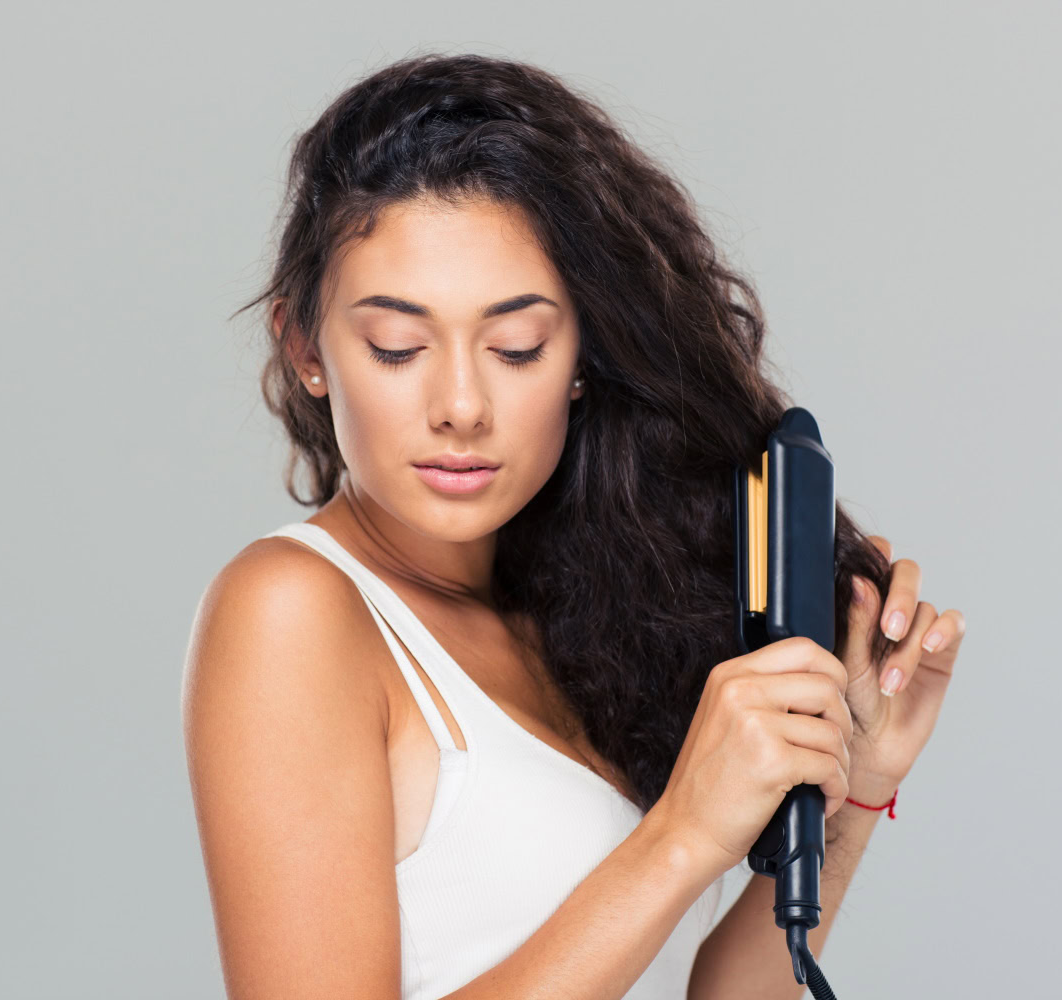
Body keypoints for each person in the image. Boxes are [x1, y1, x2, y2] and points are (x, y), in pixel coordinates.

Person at [181, 52, 965, 1000]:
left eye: (516, 348)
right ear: (306, 349)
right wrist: (681, 836)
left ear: (584, 358)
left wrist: (857, 785)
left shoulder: (582, 616)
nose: (461, 404)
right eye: (397, 347)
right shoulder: (293, 612)